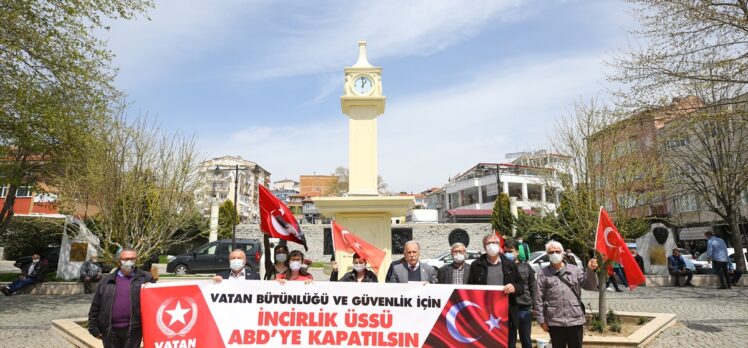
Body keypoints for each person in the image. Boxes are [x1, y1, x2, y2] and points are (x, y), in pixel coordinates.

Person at [535, 240, 599, 348]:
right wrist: (541, 320)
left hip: (575, 319)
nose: (554, 254)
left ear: (563, 253)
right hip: (555, 321)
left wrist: (591, 271)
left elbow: (590, 286)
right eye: (551, 252)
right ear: (547, 255)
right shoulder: (543, 273)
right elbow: (538, 298)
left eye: (557, 251)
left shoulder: (575, 270)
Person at [88, 248, 154, 348]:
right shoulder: (106, 280)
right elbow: (96, 305)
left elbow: (155, 304)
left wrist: (151, 289)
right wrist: (93, 327)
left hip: (133, 331)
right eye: (126, 258)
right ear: (120, 260)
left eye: (132, 258)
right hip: (109, 331)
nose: (129, 261)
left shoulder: (146, 278)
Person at [467, 234, 522, 345]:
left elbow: (521, 286)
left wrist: (514, 287)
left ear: (499, 245)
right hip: (483, 315)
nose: (492, 245)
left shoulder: (510, 265)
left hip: (506, 315)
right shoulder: (476, 265)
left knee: (508, 343)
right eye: (488, 243)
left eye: (495, 243)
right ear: (484, 246)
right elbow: (470, 289)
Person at [504, 240, 535, 348]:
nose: (508, 254)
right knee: (510, 339)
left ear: (517, 252)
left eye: (510, 251)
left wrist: (535, 305)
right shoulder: (503, 267)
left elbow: (532, 286)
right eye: (505, 251)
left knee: (525, 338)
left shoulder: (526, 267)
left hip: (523, 307)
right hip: (508, 308)